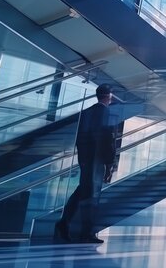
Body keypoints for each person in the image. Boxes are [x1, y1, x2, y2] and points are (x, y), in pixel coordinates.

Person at [55, 84, 116, 243]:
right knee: (91, 196)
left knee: (83, 192)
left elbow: (80, 138)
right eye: (111, 95)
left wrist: (83, 158)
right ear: (108, 96)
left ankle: (65, 223)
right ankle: (85, 232)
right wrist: (110, 164)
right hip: (97, 160)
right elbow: (108, 140)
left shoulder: (86, 112)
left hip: (86, 159)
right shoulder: (107, 113)